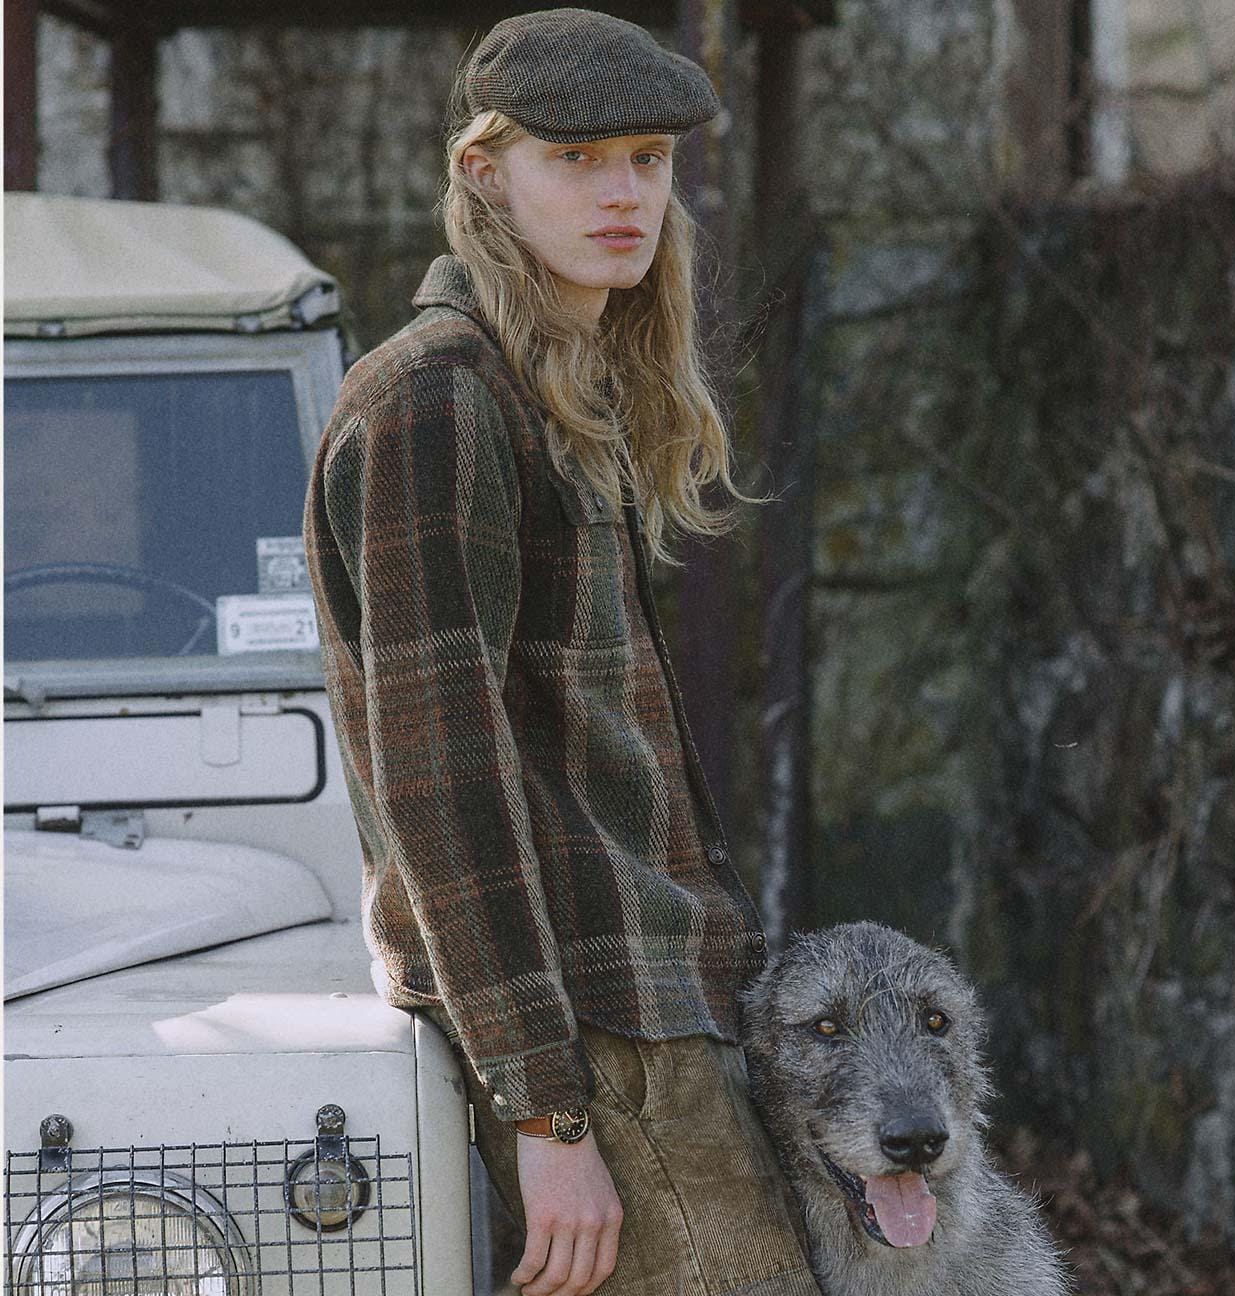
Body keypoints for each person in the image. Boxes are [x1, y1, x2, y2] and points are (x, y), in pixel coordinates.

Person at [302, 9, 821, 1296]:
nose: (626, 193)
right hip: (590, 1036)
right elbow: (444, 784)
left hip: (649, 1005)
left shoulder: (553, 393)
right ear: (485, 173)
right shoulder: (438, 397)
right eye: (579, 160)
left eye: (646, 158)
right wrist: (549, 1116)